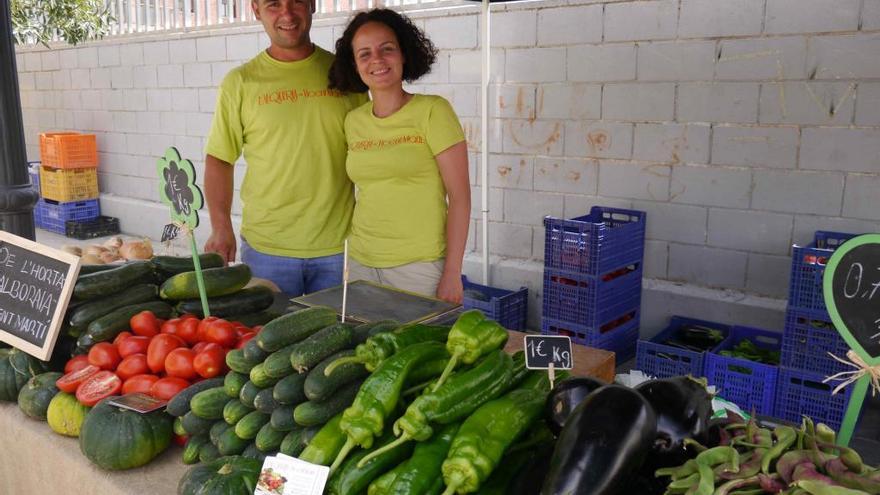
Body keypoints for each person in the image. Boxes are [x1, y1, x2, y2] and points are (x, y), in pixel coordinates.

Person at [203, 0, 366, 296]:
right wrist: (220, 226)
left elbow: (370, 153)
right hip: (267, 250)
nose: (287, 14)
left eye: (297, 2)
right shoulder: (240, 83)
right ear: (256, 10)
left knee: (342, 340)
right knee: (267, 341)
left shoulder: (347, 76)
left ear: (312, 5)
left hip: (339, 248)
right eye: (274, 4)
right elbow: (219, 160)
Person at [328, 9, 471, 304]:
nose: (377, 60)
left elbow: (460, 197)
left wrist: (452, 272)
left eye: (387, 49)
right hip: (361, 263)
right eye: (364, 54)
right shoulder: (353, 121)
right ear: (354, 65)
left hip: (419, 267)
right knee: (365, 349)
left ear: (404, 53)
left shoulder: (434, 111)